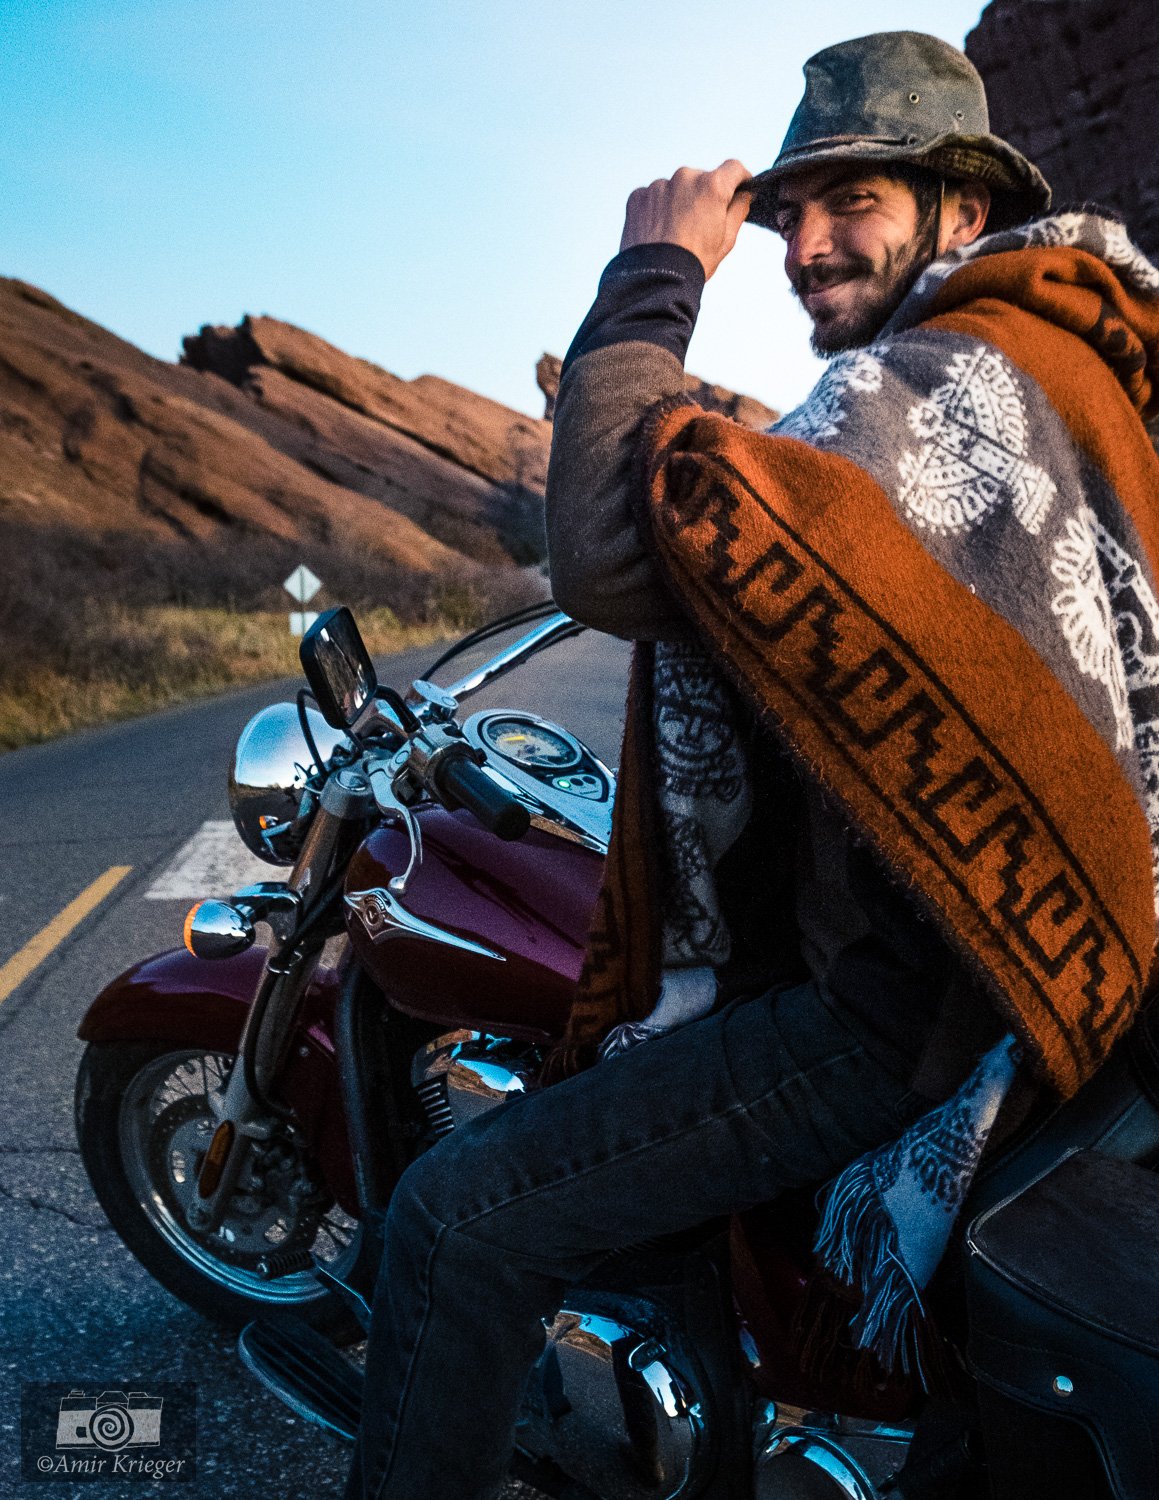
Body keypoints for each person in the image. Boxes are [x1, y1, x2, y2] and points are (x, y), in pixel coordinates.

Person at [345, 31, 1159, 1499]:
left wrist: (656, 270)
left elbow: (603, 549)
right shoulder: (1066, 364)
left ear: (959, 213)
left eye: (853, 199)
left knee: (457, 1224)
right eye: (788, 214)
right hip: (1039, 995)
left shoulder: (952, 374)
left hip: (895, 1016)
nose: (804, 242)